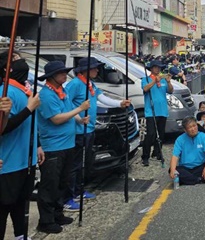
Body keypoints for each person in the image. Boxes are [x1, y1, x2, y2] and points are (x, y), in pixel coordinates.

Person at [64, 57, 130, 209]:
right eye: (94, 68)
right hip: (78, 131)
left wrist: (120, 103)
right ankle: (70, 195)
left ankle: (80, 190)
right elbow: (67, 105)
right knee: (75, 164)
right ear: (85, 70)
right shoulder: (74, 84)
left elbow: (102, 98)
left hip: (89, 129)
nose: (97, 70)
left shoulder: (90, 84)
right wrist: (78, 118)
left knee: (83, 163)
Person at [36, 61, 91, 234]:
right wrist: (79, 110)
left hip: (68, 143)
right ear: (51, 76)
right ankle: (45, 220)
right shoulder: (45, 95)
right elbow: (57, 119)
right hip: (53, 146)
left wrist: (79, 119)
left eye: (65, 72)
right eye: (61, 73)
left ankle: (57, 213)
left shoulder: (63, 91)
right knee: (49, 185)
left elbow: (69, 109)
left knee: (62, 182)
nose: (65, 75)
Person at [0, 54, 42, 240]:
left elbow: (32, 126)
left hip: (27, 160)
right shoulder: (5, 92)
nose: (21, 61)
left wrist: (38, 146)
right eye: (16, 58)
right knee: (3, 208)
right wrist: (28, 109)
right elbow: (4, 128)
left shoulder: (26, 90)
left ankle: (20, 236)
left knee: (21, 204)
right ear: (6, 68)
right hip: (8, 163)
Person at [141, 60, 173, 167]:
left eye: (159, 67)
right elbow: (145, 89)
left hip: (162, 110)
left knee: (161, 133)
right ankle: (145, 156)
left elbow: (170, 91)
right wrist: (154, 81)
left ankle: (157, 152)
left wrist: (168, 81)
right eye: (156, 67)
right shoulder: (146, 79)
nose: (158, 69)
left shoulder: (163, 80)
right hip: (151, 111)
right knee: (150, 134)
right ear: (151, 68)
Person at [169, 117, 205, 185]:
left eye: (194, 126)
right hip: (185, 168)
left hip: (199, 166)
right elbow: (175, 156)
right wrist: (172, 170)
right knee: (171, 170)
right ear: (185, 130)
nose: (193, 129)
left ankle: (186, 179)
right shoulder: (180, 139)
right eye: (190, 127)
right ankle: (198, 179)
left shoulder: (204, 137)